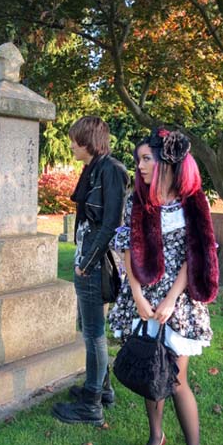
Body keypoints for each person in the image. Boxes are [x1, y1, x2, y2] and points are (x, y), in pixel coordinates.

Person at [108, 129, 217, 445]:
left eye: (145, 159)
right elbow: (126, 248)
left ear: (166, 162)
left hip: (179, 302)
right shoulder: (136, 200)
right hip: (144, 298)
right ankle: (156, 437)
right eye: (138, 159)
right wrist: (138, 296)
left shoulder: (192, 203)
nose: (138, 166)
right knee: (147, 368)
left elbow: (195, 255)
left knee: (175, 379)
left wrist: (170, 299)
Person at [52, 116, 128, 426]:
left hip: (93, 266)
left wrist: (87, 262)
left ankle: (91, 404)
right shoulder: (94, 170)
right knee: (88, 327)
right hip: (86, 261)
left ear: (88, 141)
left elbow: (110, 223)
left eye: (74, 139)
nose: (70, 144)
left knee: (94, 333)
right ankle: (101, 389)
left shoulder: (111, 171)